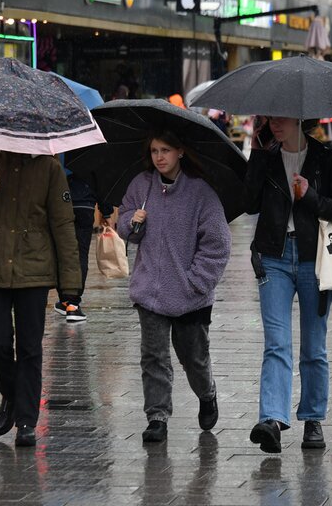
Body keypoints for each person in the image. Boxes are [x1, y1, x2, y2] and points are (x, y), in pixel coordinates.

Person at [244, 115, 332, 453]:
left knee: (313, 346)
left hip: (315, 259)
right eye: (269, 117)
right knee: (276, 343)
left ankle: (313, 418)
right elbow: (248, 204)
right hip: (273, 257)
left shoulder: (326, 159)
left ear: (299, 119)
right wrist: (257, 155)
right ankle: (272, 420)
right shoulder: (266, 155)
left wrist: (309, 196)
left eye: (282, 117)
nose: (274, 123)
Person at [0, 150, 82, 447]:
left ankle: (27, 420)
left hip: (35, 271)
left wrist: (70, 286)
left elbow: (63, 225)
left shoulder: (50, 169)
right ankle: (12, 394)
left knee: (29, 347)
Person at [117, 130, 231, 444]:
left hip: (190, 296)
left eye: (166, 149)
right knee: (153, 356)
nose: (159, 157)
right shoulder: (142, 185)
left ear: (180, 151)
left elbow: (218, 246)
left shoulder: (201, 193)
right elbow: (125, 225)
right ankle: (157, 417)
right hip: (150, 289)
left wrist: (196, 282)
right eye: (154, 150)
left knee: (193, 357)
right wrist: (132, 222)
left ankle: (206, 393)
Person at [52, 160, 114, 323]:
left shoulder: (57, 149)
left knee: (62, 254)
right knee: (80, 254)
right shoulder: (88, 151)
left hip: (60, 206)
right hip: (84, 206)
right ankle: (73, 303)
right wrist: (106, 211)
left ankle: (65, 300)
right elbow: (100, 181)